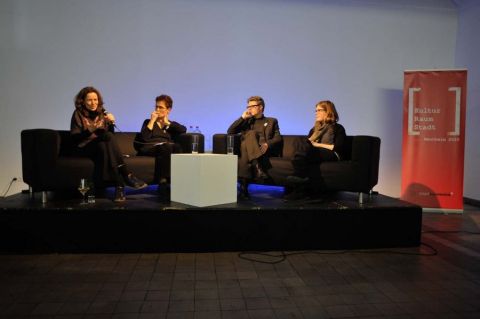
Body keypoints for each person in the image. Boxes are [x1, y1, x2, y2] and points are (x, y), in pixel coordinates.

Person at [70, 86, 147, 202]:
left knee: (105, 143)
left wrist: (111, 123)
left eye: (95, 99)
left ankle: (119, 185)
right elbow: (75, 138)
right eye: (89, 100)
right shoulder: (78, 114)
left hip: (100, 146)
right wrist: (91, 129)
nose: (93, 103)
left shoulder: (102, 112)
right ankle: (126, 175)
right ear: (83, 101)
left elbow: (110, 136)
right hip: (84, 146)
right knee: (105, 142)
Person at [285, 100, 346, 200]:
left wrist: (317, 144)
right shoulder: (314, 129)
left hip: (332, 153)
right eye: (315, 110)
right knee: (300, 141)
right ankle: (300, 181)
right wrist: (310, 144)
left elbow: (338, 147)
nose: (316, 113)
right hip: (314, 152)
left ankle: (297, 179)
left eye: (319, 110)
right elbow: (307, 144)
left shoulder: (338, 128)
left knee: (303, 153)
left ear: (328, 111)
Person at [227, 96, 282, 198]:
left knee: (246, 145)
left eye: (252, 106)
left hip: (263, 149)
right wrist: (242, 118)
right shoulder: (247, 121)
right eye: (248, 106)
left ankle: (244, 187)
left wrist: (267, 144)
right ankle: (257, 165)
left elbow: (278, 138)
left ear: (260, 107)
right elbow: (230, 131)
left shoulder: (271, 121)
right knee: (248, 139)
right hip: (250, 149)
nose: (249, 109)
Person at [135, 95, 186, 189]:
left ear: (168, 110)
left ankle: (179, 179)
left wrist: (168, 124)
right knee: (166, 146)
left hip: (166, 148)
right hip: (150, 148)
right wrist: (152, 121)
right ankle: (163, 181)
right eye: (156, 107)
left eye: (161, 107)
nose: (157, 109)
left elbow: (183, 130)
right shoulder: (148, 122)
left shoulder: (171, 125)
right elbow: (143, 139)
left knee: (177, 147)